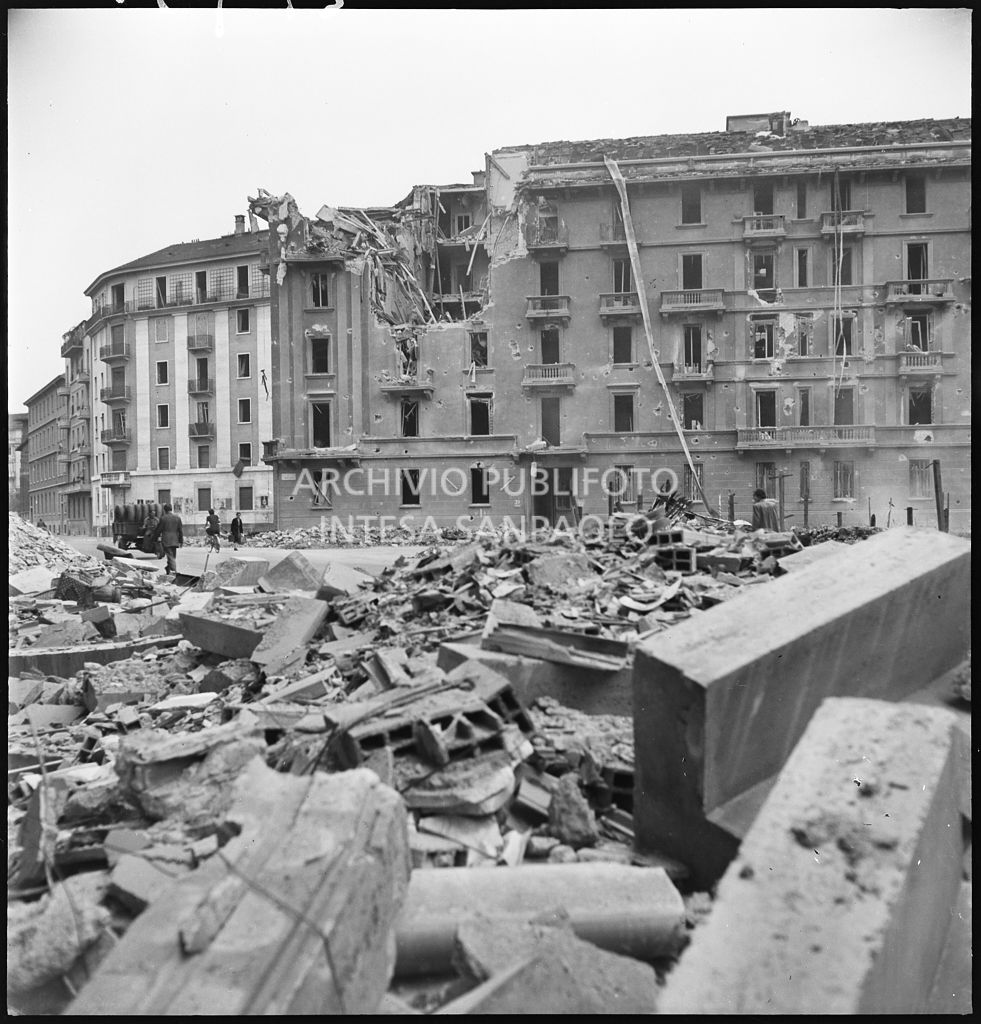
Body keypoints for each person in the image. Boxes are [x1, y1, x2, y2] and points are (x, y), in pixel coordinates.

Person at [152, 503, 184, 575]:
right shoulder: (177, 518)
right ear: (171, 509)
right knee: (172, 556)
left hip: (166, 539)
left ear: (164, 510)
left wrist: (154, 538)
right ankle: (169, 568)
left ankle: (173, 571)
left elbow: (158, 530)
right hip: (175, 539)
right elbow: (180, 530)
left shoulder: (163, 518)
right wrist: (181, 541)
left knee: (170, 556)